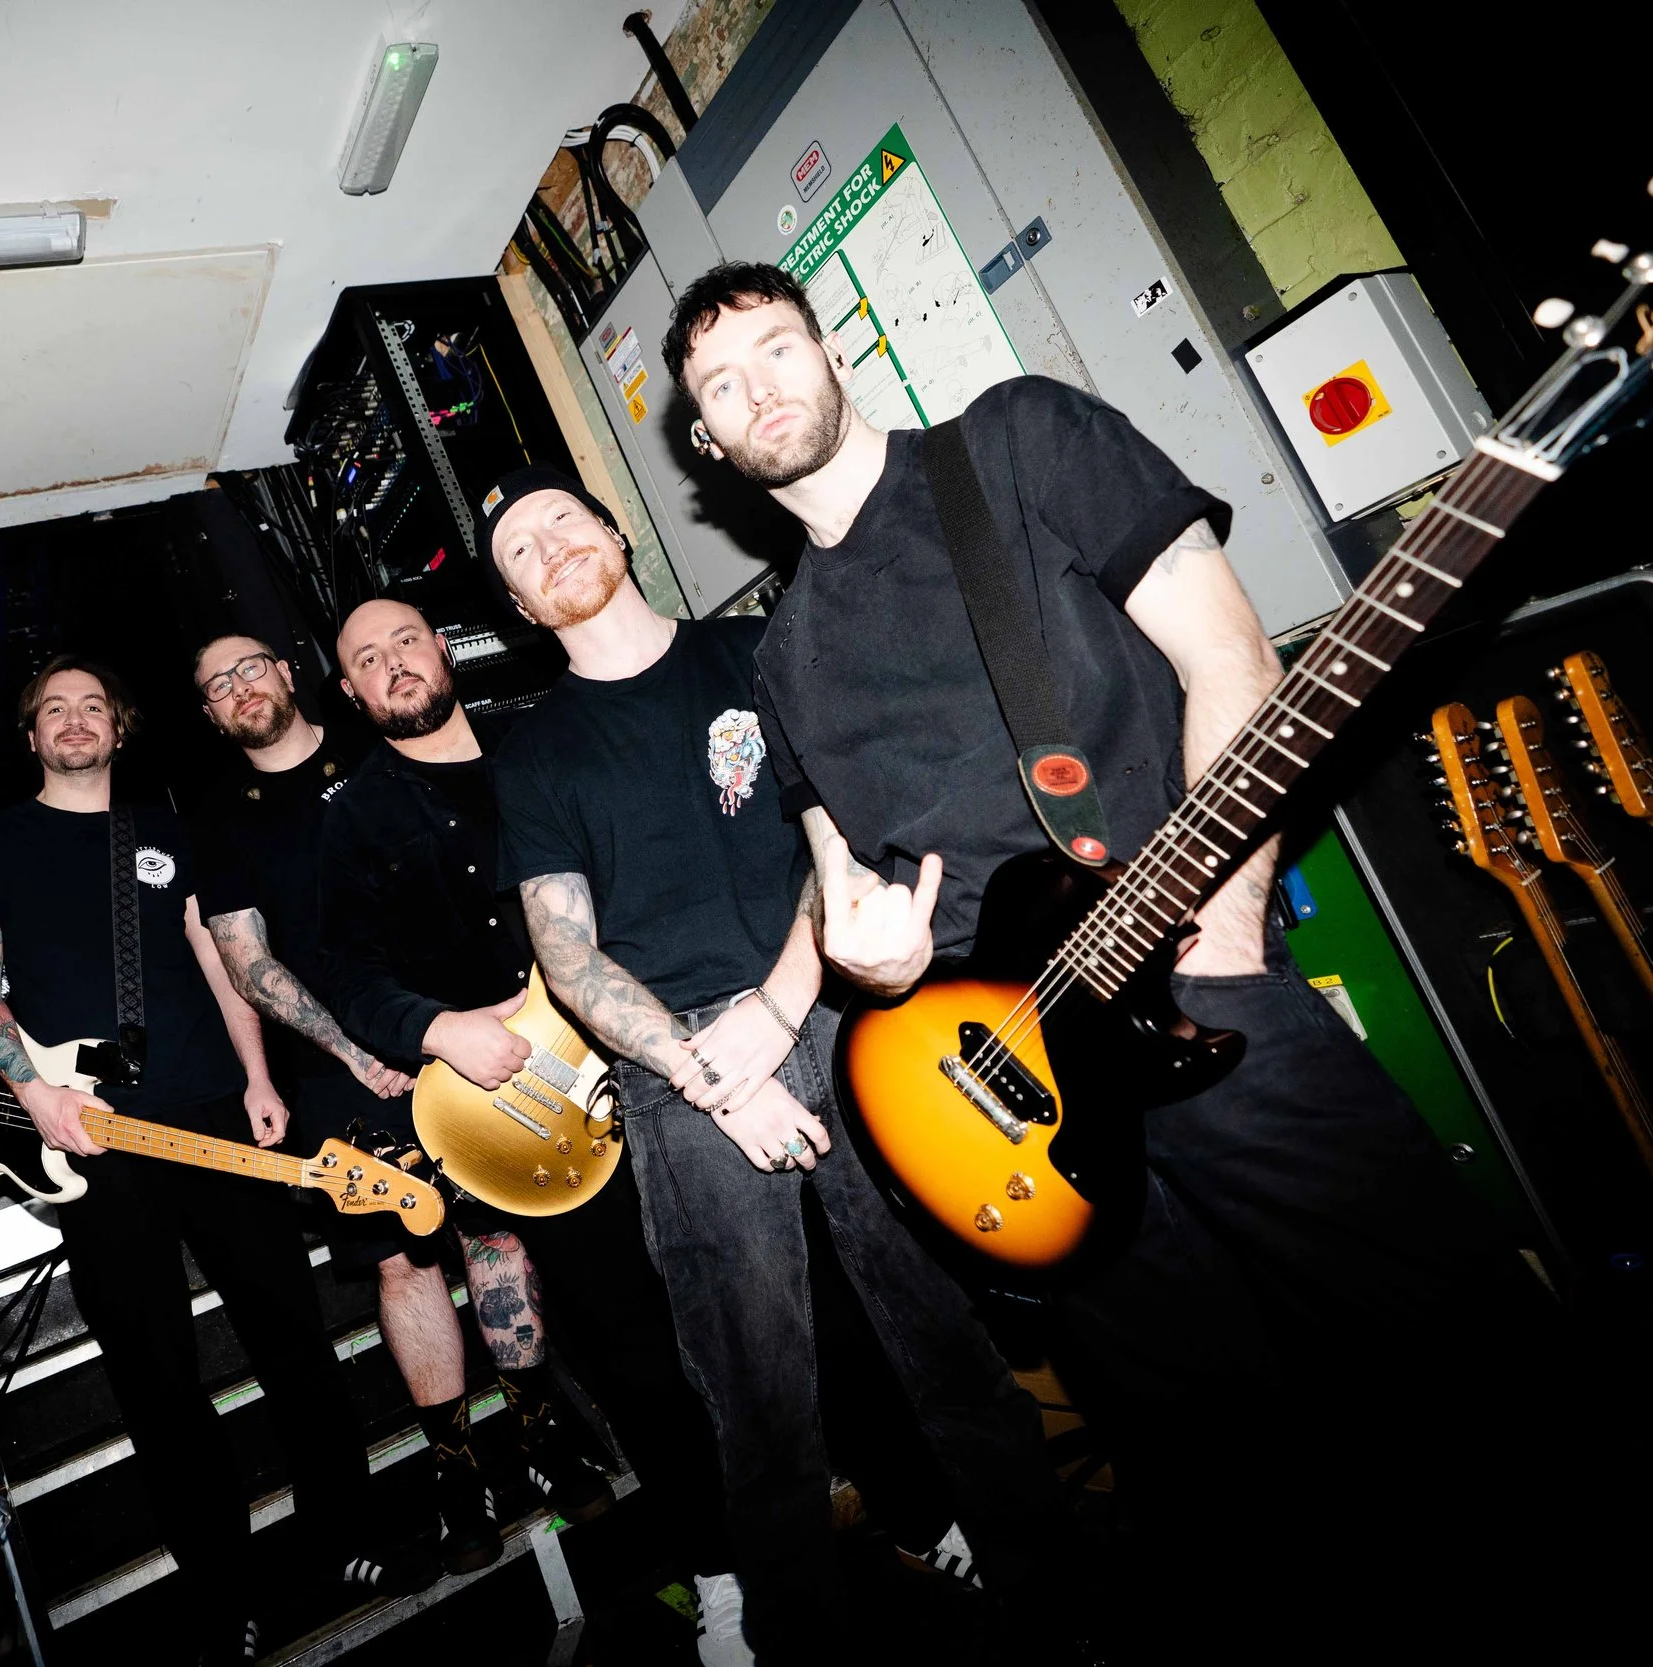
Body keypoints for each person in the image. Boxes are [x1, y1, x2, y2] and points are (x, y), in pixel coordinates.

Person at [661, 259, 1593, 1648]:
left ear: (833, 352)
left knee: (1447, 1345)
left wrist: (1225, 926)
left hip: (1197, 994)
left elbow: (1231, 659)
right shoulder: (782, 658)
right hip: (1010, 1108)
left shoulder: (1018, 439)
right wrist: (867, 968)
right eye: (722, 387)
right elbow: (837, 878)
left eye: (777, 348)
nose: (760, 390)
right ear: (706, 442)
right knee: (1216, 1460)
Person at [476, 469, 1083, 1662]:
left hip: (843, 1013)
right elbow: (567, 951)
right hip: (680, 1070)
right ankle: (800, 1635)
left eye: (561, 521)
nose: (549, 549)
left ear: (614, 530)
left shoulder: (755, 652)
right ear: (522, 610)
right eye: (520, 555)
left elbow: (841, 836)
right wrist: (714, 1074)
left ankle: (1060, 1599)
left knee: (943, 1332)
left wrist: (781, 1002)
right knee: (754, 1394)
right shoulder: (534, 750)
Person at [0, 656, 430, 1666]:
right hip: (94, 1139)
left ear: (118, 728)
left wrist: (257, 1075)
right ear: (31, 736)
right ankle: (223, 1589)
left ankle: (348, 1531)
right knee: (156, 1376)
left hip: (211, 1113)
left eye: (93, 706)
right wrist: (37, 1095)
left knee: (292, 1333)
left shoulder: (163, 827)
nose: (76, 720)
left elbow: (217, 958)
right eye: (54, 709)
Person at [318, 596, 763, 1665]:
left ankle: (899, 1494)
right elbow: (345, 972)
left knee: (765, 1287)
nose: (393, 664)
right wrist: (438, 1029)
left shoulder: (547, 734)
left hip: (656, 1062)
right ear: (350, 691)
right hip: (527, 1122)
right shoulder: (353, 818)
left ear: (444, 647)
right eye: (366, 658)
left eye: (406, 640)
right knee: (629, 1347)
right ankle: (718, 1570)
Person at [188, 630, 613, 1581]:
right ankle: (458, 1468)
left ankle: (542, 1430)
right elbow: (247, 963)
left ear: (289, 674)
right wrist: (353, 1049)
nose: (241, 687)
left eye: (252, 666)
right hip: (342, 1069)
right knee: (401, 1260)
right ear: (211, 714)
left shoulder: (381, 744)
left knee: (497, 1232)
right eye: (218, 684)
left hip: (464, 1031)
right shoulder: (219, 821)